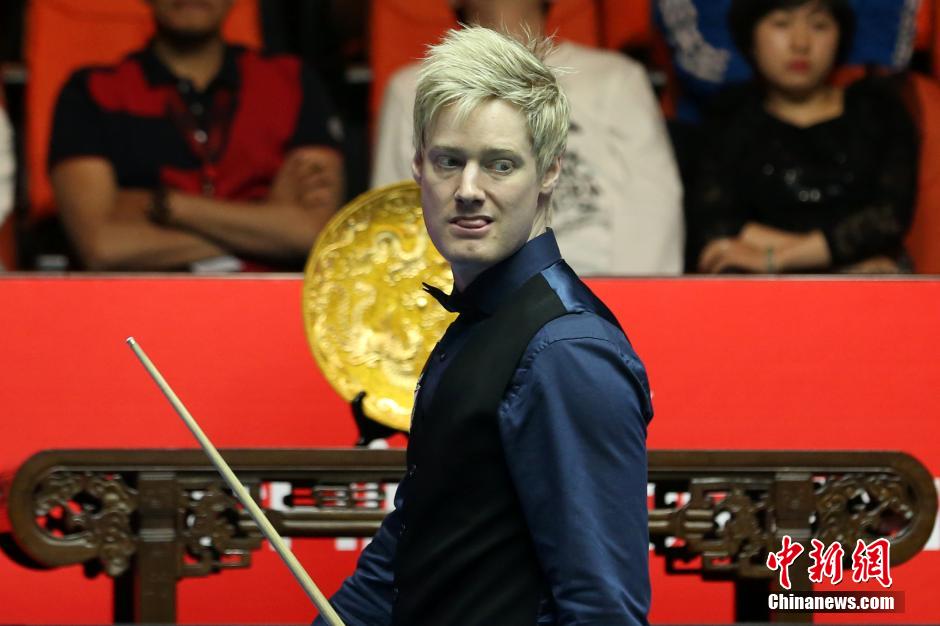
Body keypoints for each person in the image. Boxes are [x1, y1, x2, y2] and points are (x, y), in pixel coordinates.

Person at [315, 26, 652, 626]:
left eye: (500, 165)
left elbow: (604, 610)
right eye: (449, 161)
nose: (469, 191)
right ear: (418, 166)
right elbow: (408, 551)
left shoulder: (567, 350)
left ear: (549, 171)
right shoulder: (480, 322)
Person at [372, 0, 684, 276]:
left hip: (600, 292)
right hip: (464, 297)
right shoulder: (413, 88)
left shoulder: (615, 78)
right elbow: (396, 228)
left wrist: (626, 308)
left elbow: (655, 212)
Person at [48, 0, 344, 271]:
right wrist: (269, 223)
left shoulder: (291, 81)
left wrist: (170, 206)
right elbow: (102, 247)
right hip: (142, 304)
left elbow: (314, 233)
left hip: (269, 302)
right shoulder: (92, 91)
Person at [687, 0, 919, 274]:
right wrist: (834, 266)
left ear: (841, 36)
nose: (800, 43)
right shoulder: (726, 117)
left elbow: (887, 218)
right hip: (758, 282)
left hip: (871, 283)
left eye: (819, 25)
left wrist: (775, 259)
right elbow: (717, 224)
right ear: (750, 38)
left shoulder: (879, 109)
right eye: (781, 24)